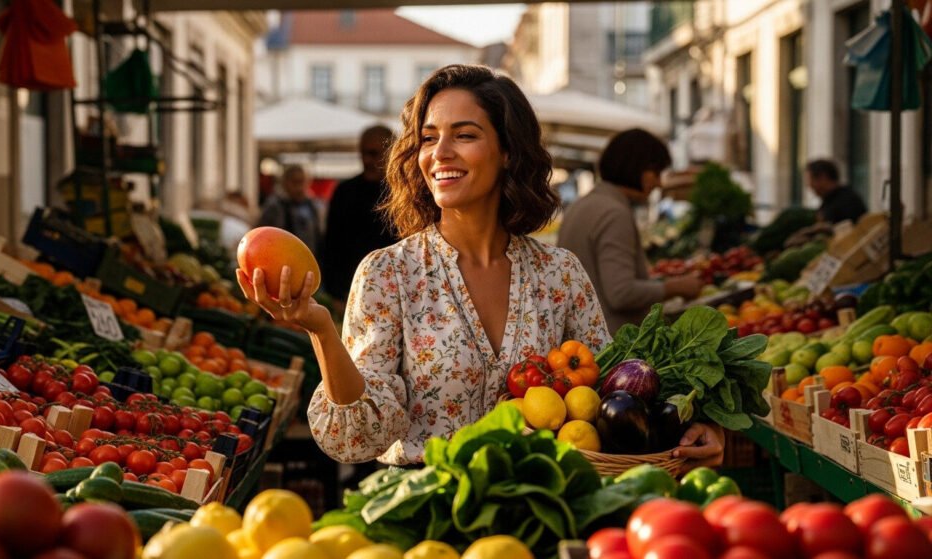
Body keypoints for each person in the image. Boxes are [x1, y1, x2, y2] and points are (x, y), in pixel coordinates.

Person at [237, 65, 723, 471]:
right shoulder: (389, 274)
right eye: (428, 138)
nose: (440, 153)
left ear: (508, 151)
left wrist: (687, 421)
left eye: (464, 135)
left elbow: (615, 397)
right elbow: (359, 438)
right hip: (427, 515)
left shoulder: (560, 274)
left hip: (544, 510)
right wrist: (321, 330)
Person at [557, 128, 703, 335]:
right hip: (613, 344)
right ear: (637, 168)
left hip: (584, 337)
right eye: (656, 173)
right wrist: (673, 288)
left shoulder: (582, 205)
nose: (659, 183)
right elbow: (621, 293)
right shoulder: (614, 213)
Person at [321, 125, 399, 304]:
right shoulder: (345, 191)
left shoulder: (406, 192)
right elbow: (332, 245)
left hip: (396, 292)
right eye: (363, 153)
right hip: (350, 292)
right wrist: (336, 293)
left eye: (373, 154)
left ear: (391, 152)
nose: (367, 160)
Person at [257, 164, 324, 255]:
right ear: (285, 182)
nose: (299, 187)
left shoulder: (312, 205)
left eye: (302, 182)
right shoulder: (274, 206)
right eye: (295, 182)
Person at [806, 159, 867, 225]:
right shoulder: (832, 199)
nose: (809, 185)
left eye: (811, 180)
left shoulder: (846, 201)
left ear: (823, 177)